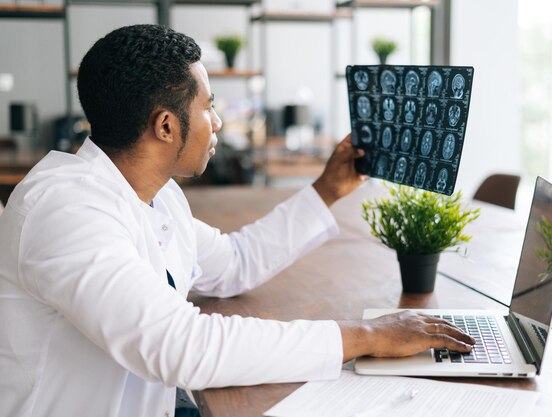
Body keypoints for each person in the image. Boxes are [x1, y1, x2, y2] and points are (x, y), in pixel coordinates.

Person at [0, 24, 474, 417]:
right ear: (165, 126)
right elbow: (180, 345)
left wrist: (327, 190)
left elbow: (233, 262)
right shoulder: (63, 209)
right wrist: (367, 335)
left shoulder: (156, 195)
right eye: (208, 106)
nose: (218, 122)